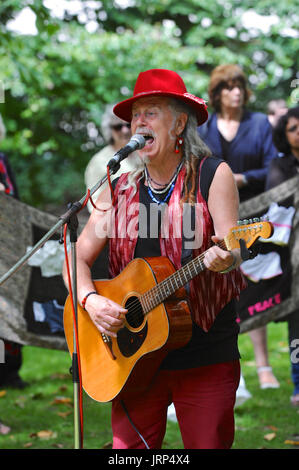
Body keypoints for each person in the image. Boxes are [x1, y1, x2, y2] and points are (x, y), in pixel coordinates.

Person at [63, 68, 247, 449]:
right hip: (133, 357)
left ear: (180, 123)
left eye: (151, 113)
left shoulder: (214, 175)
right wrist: (90, 300)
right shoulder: (118, 190)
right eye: (135, 116)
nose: (138, 123)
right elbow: (75, 258)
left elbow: (233, 247)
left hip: (205, 351)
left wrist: (226, 257)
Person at [198, 64, 279, 390]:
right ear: (216, 93)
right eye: (228, 86)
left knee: (254, 288)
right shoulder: (204, 127)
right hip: (213, 219)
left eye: (240, 86)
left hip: (254, 218)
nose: (236, 92)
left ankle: (263, 366)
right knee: (219, 288)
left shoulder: (260, 123)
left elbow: (273, 165)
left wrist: (242, 179)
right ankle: (231, 370)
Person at [266, 106, 299, 406]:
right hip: (293, 258)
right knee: (297, 322)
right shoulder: (280, 166)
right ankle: (298, 384)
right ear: (284, 135)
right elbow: (278, 204)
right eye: (293, 128)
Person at [0, 114, 27, 391]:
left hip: (6, 244)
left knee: (10, 309)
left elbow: (14, 198)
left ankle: (11, 370)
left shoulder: (2, 160)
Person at [84, 103, 139, 213]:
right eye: (118, 127)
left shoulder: (144, 153)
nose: (125, 130)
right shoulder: (99, 161)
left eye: (128, 125)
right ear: (109, 129)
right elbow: (95, 205)